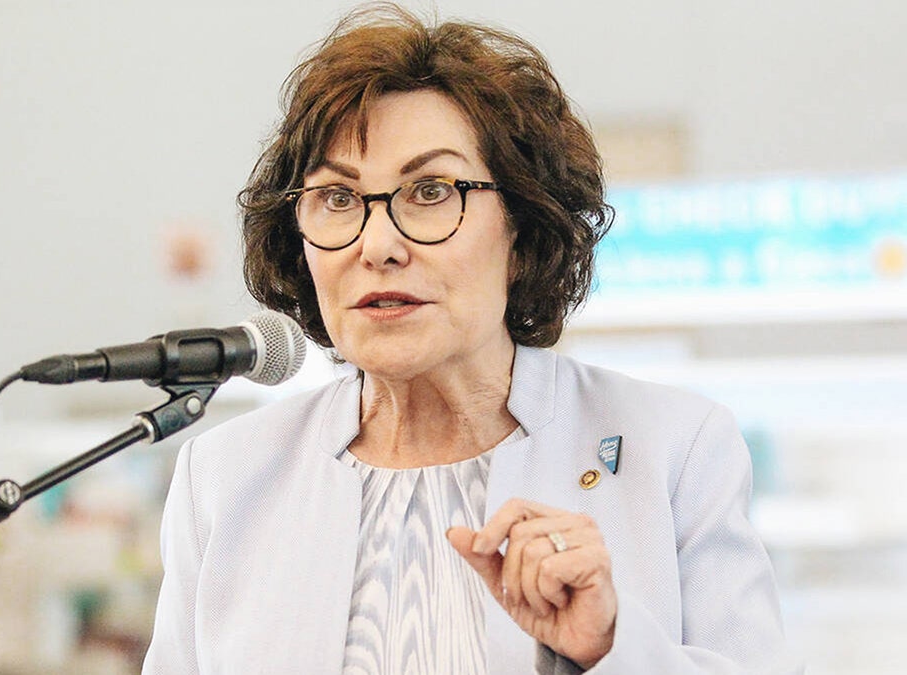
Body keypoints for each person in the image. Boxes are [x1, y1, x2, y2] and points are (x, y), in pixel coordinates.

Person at [143, 4, 799, 673]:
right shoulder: (226, 478)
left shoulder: (674, 448)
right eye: (338, 198)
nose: (378, 245)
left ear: (522, 227)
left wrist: (608, 649)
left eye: (430, 190)